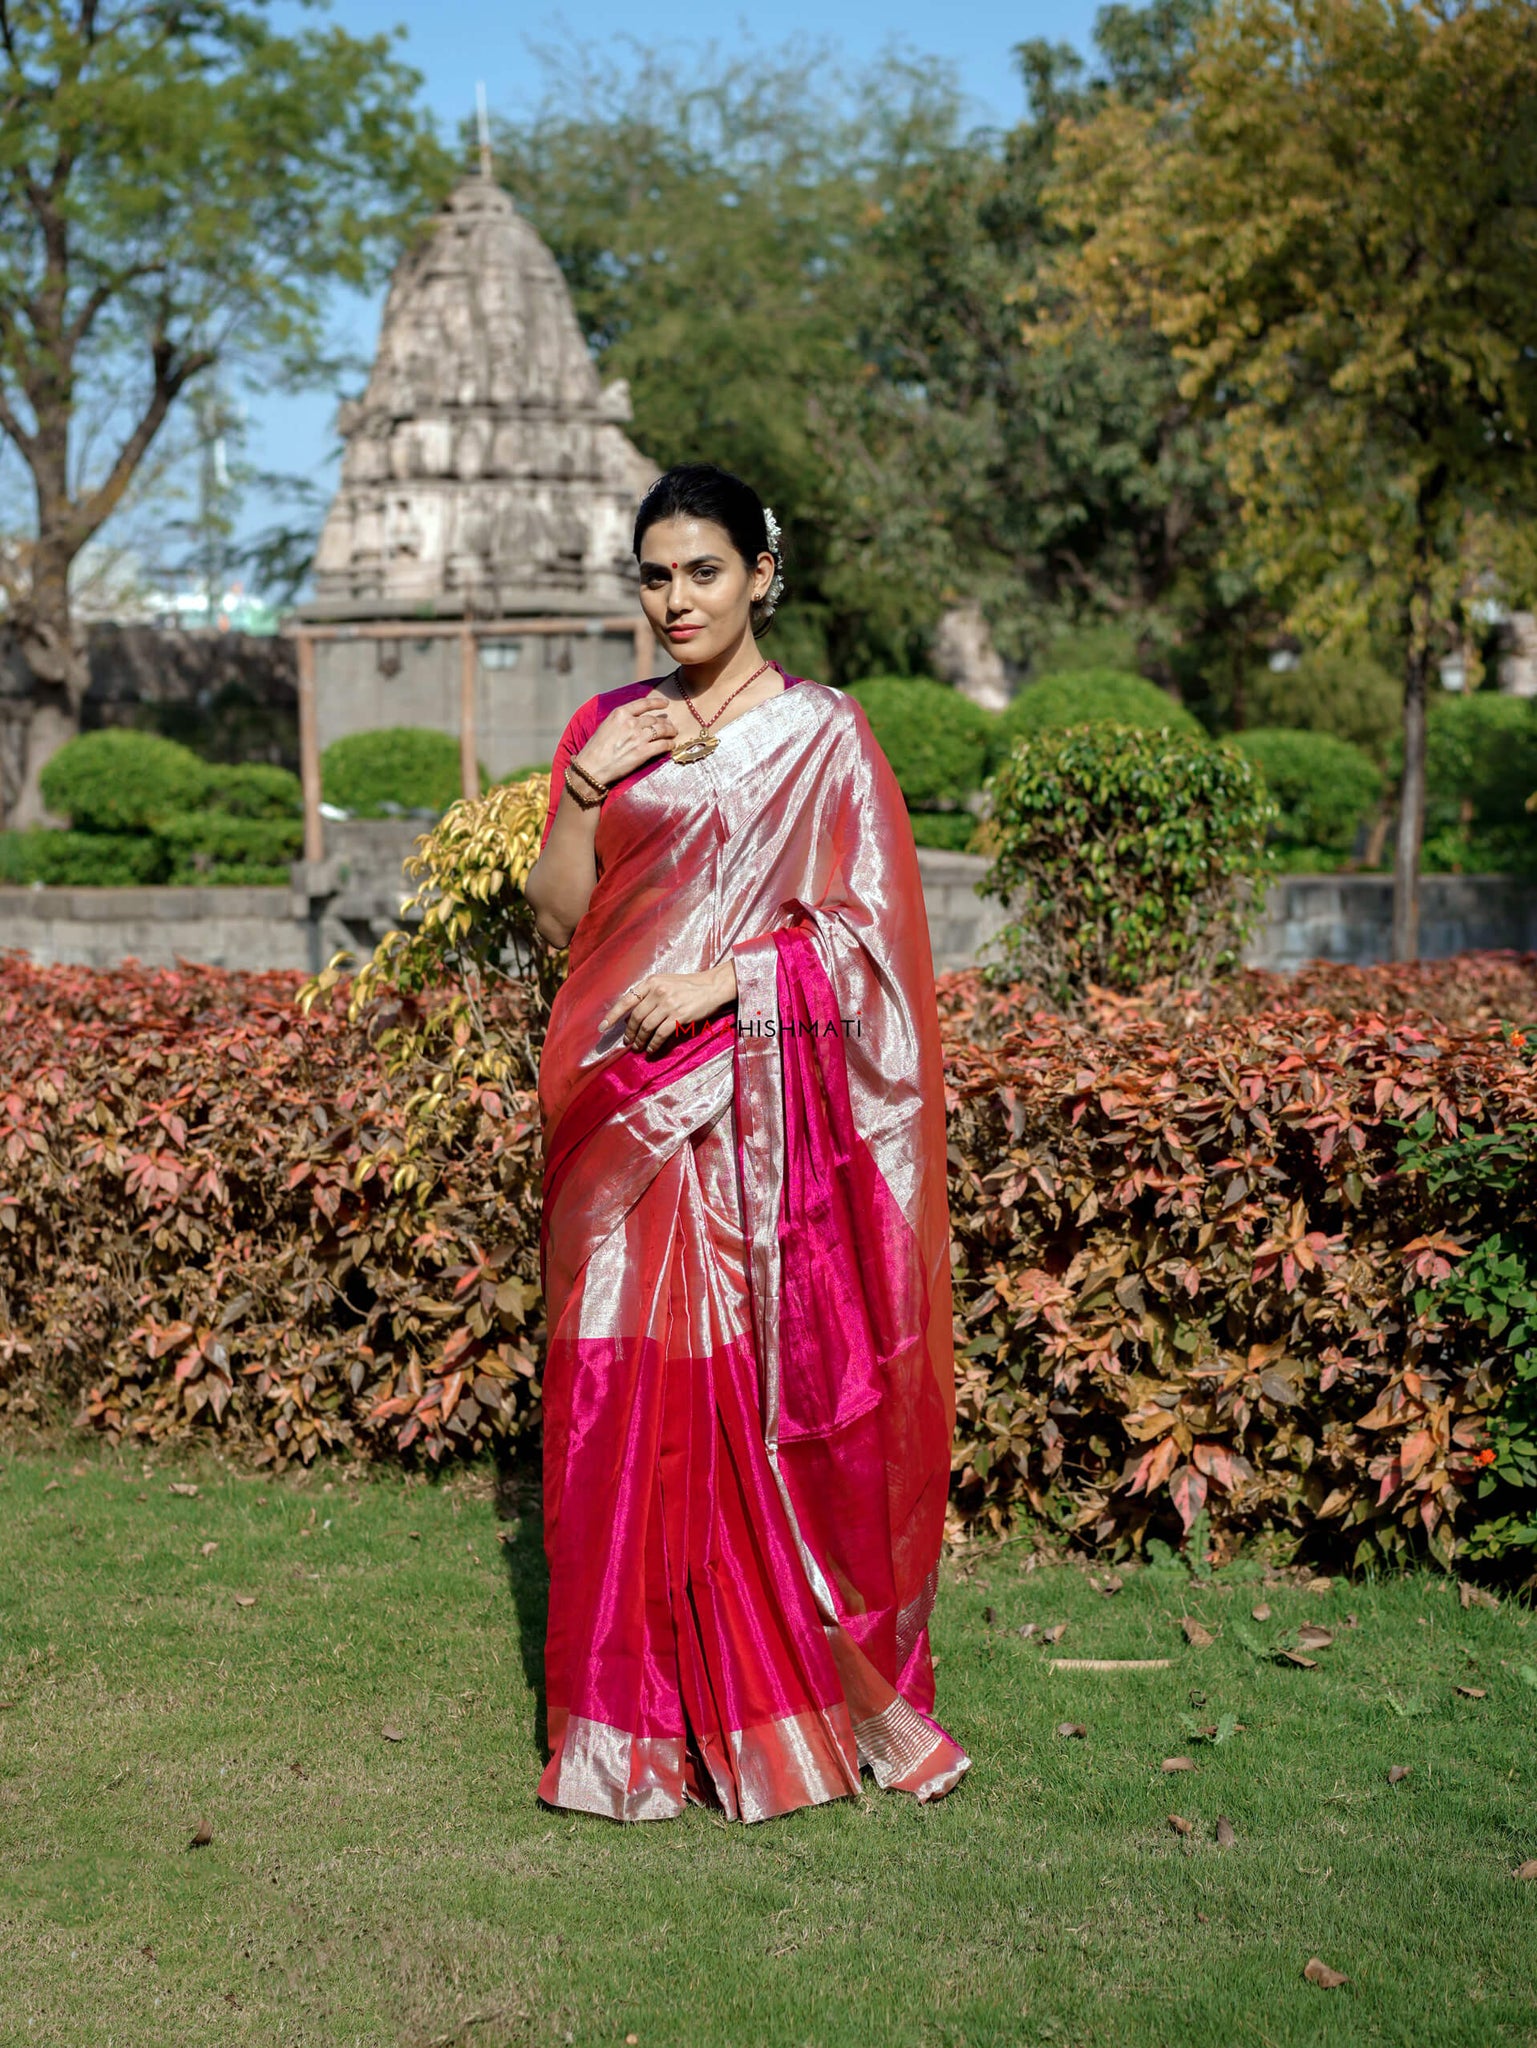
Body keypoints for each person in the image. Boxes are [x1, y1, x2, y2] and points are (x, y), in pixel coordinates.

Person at [521, 462, 969, 1823]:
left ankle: (778, 1710)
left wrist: (731, 983)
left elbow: (873, 944)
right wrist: (592, 786)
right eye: (654, 575)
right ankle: (632, 1722)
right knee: (619, 1407)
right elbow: (556, 922)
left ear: (760, 575)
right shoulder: (607, 727)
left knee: (746, 1408)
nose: (675, 599)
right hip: (615, 1106)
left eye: (702, 570)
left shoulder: (824, 736)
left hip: (751, 1126)